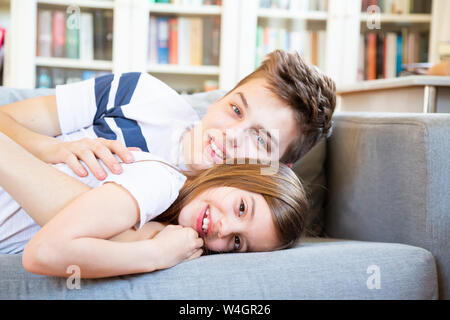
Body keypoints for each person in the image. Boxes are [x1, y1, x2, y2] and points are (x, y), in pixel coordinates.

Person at [0, 132, 308, 279]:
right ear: (234, 173)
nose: (223, 228)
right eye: (241, 207)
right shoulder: (160, 181)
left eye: (238, 242)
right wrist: (154, 255)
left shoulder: (165, 229)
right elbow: (43, 254)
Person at [0, 50, 336, 181]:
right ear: (223, 97)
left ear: (278, 168)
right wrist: (50, 149)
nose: (231, 136)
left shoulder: (217, 219)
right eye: (235, 109)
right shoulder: (140, 93)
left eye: (260, 139)